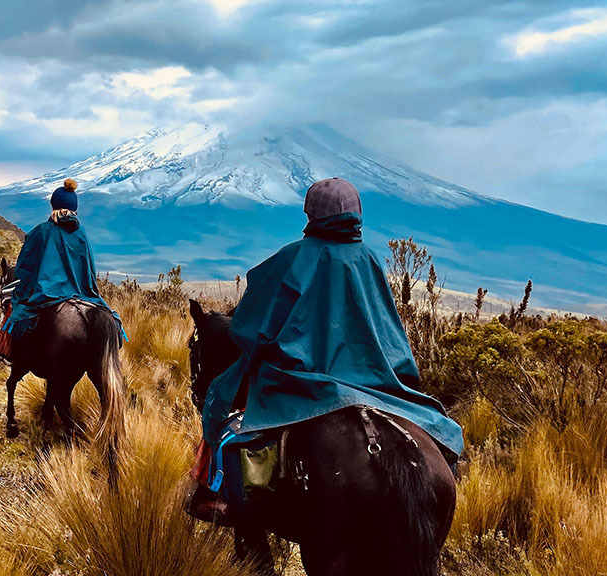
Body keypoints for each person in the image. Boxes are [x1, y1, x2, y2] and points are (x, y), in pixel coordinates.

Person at [189, 177, 462, 520]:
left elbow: (248, 327)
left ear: (310, 213)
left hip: (302, 383)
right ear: (356, 213)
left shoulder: (292, 259)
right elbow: (389, 332)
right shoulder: (370, 262)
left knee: (220, 404)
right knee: (431, 422)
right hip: (376, 381)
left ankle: (216, 496)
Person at [0, 178, 123, 361]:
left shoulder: (41, 231)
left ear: (53, 206)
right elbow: (88, 270)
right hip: (80, 292)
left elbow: (24, 268)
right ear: (74, 208)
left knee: (14, 307)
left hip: (46, 292)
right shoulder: (81, 233)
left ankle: (5, 352)